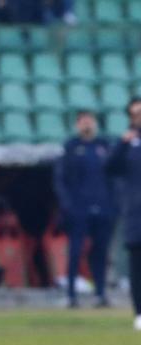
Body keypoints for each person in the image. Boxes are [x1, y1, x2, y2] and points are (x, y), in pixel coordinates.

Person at [53, 110, 116, 307]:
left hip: (103, 209)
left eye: (90, 121)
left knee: (100, 251)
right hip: (78, 209)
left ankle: (100, 293)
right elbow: (60, 179)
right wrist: (67, 204)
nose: (87, 125)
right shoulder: (71, 147)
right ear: (78, 125)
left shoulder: (104, 147)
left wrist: (114, 204)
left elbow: (114, 178)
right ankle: (71, 295)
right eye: (83, 122)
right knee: (75, 251)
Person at [107, 97, 141, 331]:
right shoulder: (127, 144)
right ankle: (139, 313)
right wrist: (122, 142)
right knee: (137, 267)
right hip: (136, 214)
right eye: (135, 114)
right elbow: (109, 167)